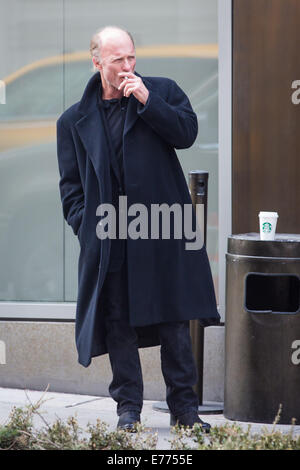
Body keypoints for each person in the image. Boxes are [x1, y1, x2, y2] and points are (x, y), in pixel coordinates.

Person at [56, 26, 220, 432]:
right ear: (97, 63)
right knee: (118, 325)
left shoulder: (160, 90)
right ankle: (128, 412)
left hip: (162, 230)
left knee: (174, 321)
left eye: (131, 57)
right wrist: (86, 226)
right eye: (118, 60)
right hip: (110, 238)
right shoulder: (73, 120)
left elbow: (187, 133)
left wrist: (148, 100)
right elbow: (71, 188)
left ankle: (186, 411)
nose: (128, 66)